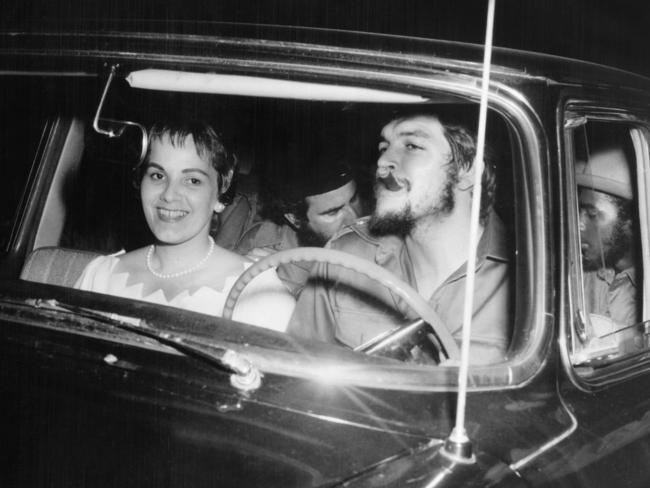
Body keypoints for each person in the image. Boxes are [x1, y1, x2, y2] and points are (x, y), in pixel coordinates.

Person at [288, 113, 511, 365]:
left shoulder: (530, 280)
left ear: (466, 171)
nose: (383, 162)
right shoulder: (344, 258)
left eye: (412, 146)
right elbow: (296, 373)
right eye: (383, 148)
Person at [75, 121, 294, 331]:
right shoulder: (100, 276)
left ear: (220, 195)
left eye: (192, 180)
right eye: (157, 175)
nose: (169, 195)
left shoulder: (258, 292)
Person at [235, 159, 363, 296]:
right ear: (295, 219)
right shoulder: (262, 244)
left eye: (354, 200)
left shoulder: (379, 237)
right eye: (333, 212)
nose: (354, 218)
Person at [576, 145, 639, 329]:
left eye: (592, 214)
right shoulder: (578, 275)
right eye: (580, 211)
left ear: (631, 220)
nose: (579, 224)